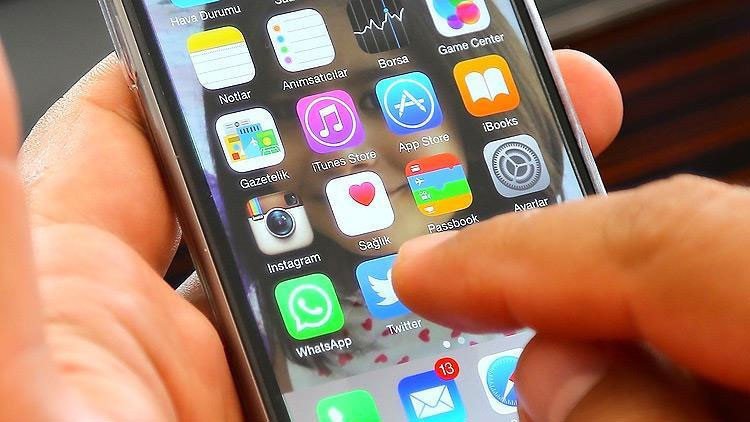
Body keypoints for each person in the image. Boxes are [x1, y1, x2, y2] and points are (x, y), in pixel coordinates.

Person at [0, 40, 746, 421]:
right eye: (288, 114)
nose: (345, 147)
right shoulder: (272, 347)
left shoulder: (585, 296)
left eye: (378, 98)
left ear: (454, 110)